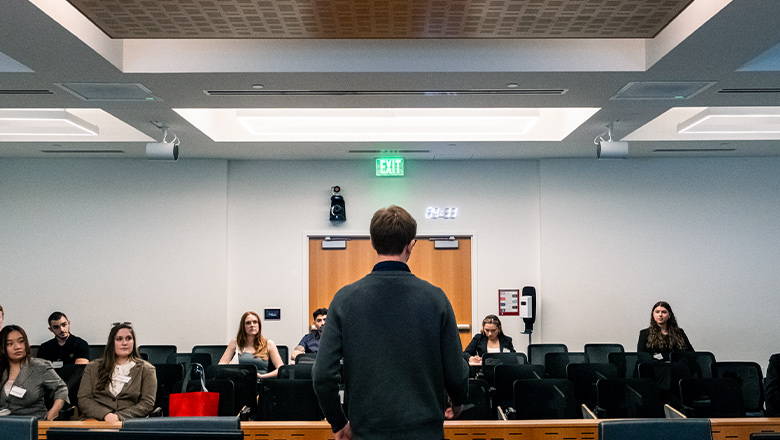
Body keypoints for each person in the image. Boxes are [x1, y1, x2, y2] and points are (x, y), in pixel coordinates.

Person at [313, 205, 469, 440]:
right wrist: (457, 403)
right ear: (411, 245)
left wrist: (338, 422)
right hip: (424, 433)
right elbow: (456, 374)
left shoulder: (344, 299)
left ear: (373, 243)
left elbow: (323, 374)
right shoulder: (436, 299)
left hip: (366, 432)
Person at [77, 323, 157, 421]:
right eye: (119, 339)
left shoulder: (147, 369)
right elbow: (84, 399)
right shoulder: (92, 367)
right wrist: (105, 415)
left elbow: (147, 403)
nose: (125, 343)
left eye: (129, 338)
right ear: (112, 342)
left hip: (128, 423)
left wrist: (118, 417)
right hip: (95, 420)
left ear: (134, 342)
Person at [0, 325, 69, 420]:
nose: (17, 347)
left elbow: (61, 388)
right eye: (10, 344)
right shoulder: (1, 369)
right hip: (4, 425)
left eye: (21, 341)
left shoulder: (40, 366)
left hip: (34, 423)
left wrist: (54, 410)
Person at [218, 311, 284, 379]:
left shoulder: (269, 344)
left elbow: (281, 369)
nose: (252, 325)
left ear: (259, 325)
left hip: (262, 383)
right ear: (243, 326)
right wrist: (235, 372)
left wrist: (262, 376)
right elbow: (221, 366)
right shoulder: (235, 343)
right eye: (248, 323)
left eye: (255, 322)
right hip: (240, 381)